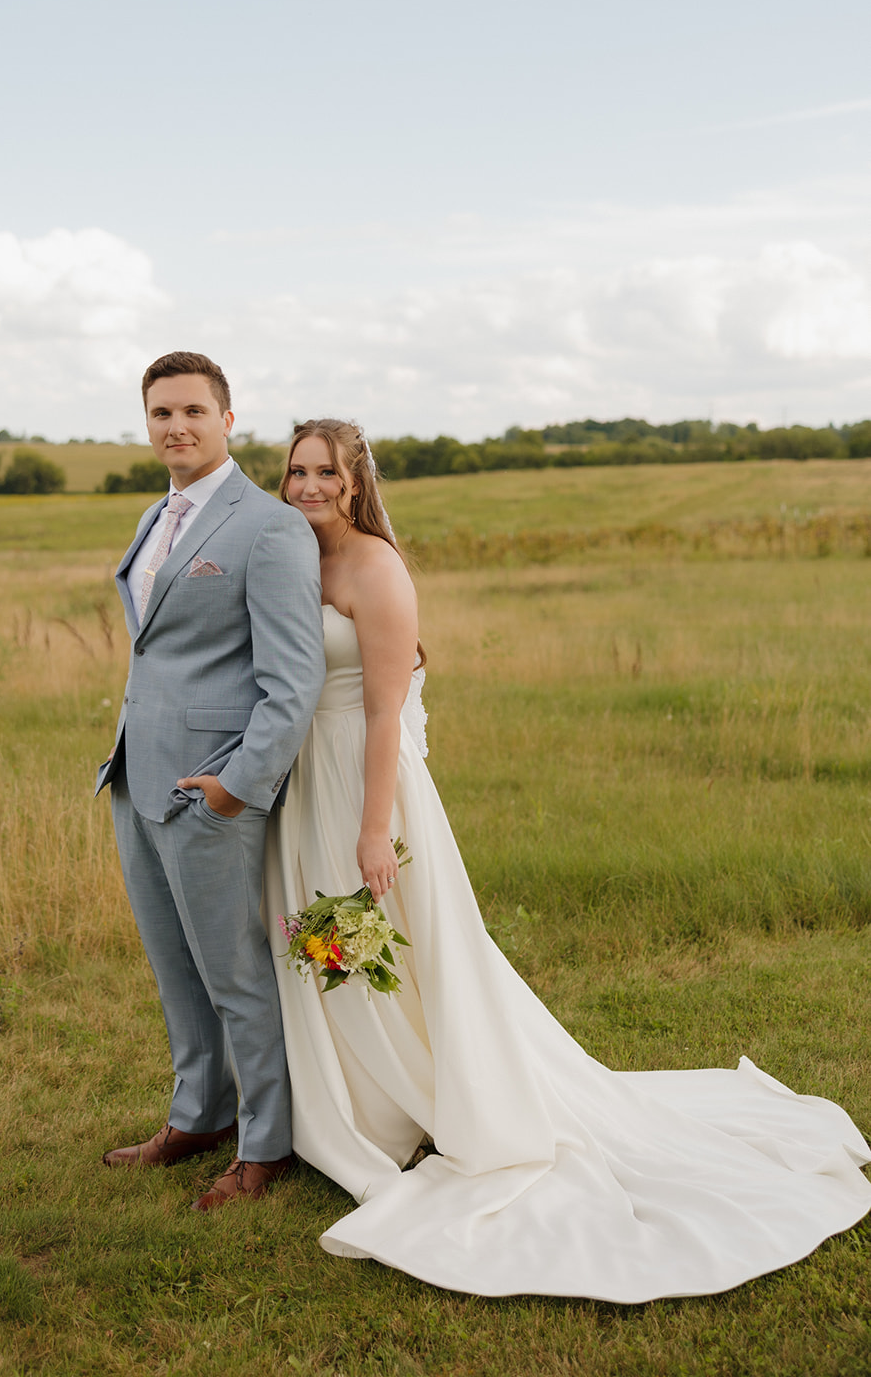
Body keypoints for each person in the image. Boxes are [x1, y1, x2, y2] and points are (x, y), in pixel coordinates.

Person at [262, 418, 871, 1301]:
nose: (308, 486)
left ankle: (436, 1099)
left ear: (355, 483)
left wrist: (370, 829)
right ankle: (362, 1107)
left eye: (325, 472)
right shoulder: (294, 562)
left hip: (367, 785)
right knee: (330, 950)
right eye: (295, 472)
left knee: (397, 948)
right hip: (304, 787)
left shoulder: (377, 569)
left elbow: (385, 711)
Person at [97, 352, 325, 1210]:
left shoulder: (266, 527)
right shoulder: (158, 515)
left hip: (211, 788)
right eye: (160, 414)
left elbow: (292, 680)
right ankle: (199, 1114)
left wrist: (236, 785)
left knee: (233, 970)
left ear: (228, 420)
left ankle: (265, 1145)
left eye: (193, 411)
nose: (176, 427)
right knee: (173, 965)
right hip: (135, 776)